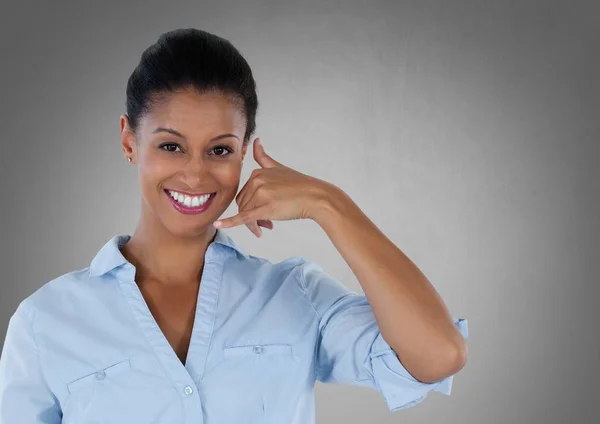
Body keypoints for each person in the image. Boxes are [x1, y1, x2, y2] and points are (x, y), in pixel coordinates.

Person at [0, 28, 468, 424]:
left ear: (244, 151)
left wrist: (329, 204)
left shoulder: (293, 294)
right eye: (170, 146)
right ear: (128, 140)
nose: (195, 175)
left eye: (220, 150)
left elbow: (438, 355)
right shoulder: (45, 323)